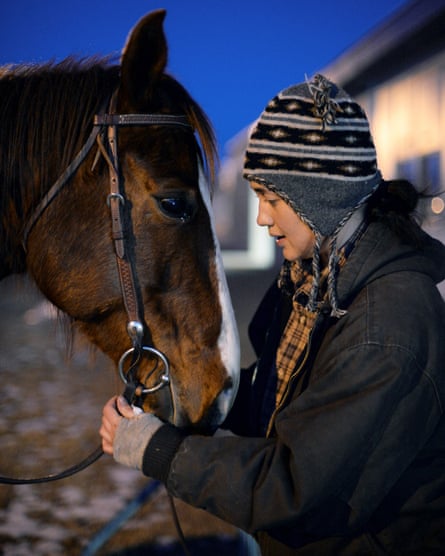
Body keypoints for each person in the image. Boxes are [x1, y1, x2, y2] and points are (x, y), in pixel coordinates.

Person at [100, 74, 445, 555]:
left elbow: (294, 484)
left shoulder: (386, 327)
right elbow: (280, 402)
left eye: (273, 200)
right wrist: (185, 401)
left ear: (321, 201)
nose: (261, 217)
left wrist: (160, 452)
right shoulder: (314, 281)